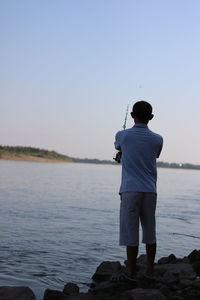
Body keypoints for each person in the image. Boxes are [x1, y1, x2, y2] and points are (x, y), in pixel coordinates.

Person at [114, 101, 163, 281]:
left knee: (130, 232)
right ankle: (150, 269)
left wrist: (122, 152)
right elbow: (153, 154)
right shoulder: (158, 139)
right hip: (150, 190)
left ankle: (131, 272)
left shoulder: (122, 135)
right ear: (151, 117)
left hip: (129, 190)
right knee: (150, 231)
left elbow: (118, 147)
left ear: (132, 115)